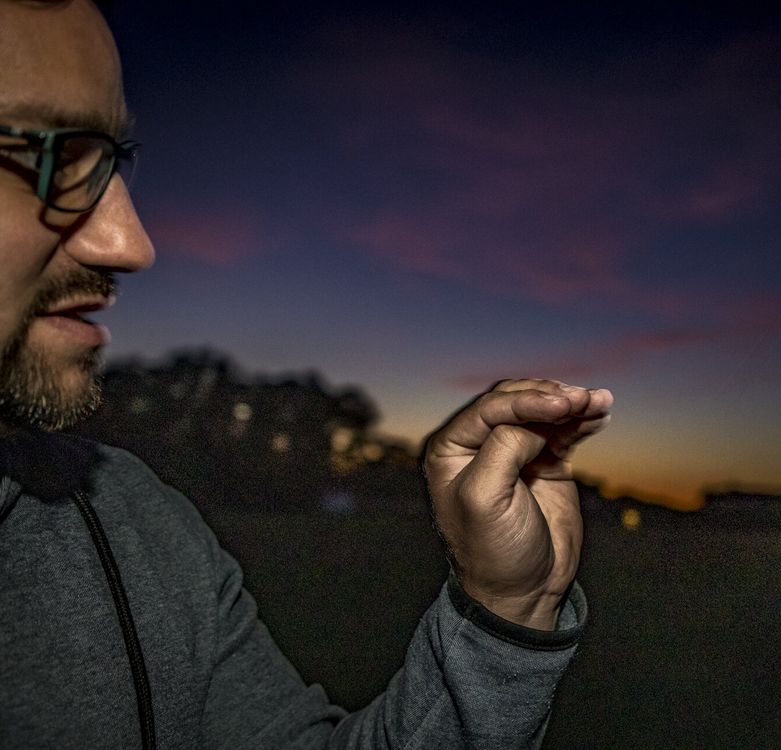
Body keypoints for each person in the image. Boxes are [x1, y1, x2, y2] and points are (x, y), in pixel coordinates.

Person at [0, 1, 615, 748]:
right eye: (49, 156)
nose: (130, 242)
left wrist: (506, 608)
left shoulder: (129, 523)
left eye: (109, 162)